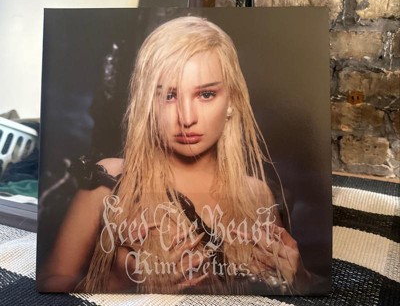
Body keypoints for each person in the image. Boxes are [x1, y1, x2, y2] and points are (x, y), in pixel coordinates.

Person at [37, 16, 309, 294]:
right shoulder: (110, 182)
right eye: (168, 95)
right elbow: (49, 284)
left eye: (206, 94)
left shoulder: (256, 195)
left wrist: (295, 276)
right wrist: (118, 283)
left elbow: (285, 291)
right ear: (146, 104)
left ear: (232, 100)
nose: (186, 118)